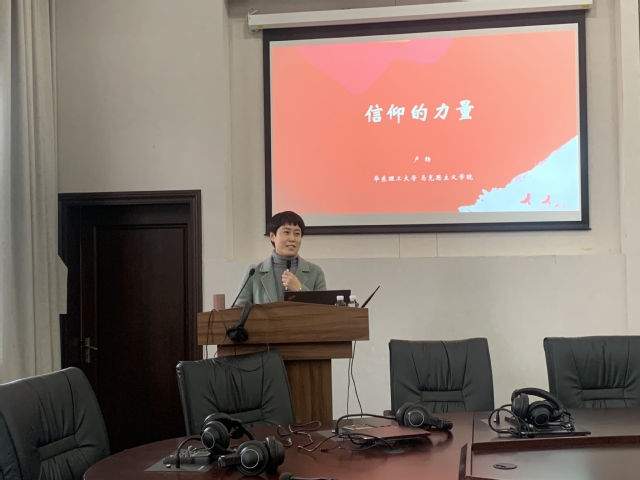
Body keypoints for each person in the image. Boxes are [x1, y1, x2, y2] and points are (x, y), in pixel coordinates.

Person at [234, 211, 326, 306]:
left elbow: (324, 310)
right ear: (272, 236)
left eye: (297, 233)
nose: (292, 239)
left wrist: (300, 290)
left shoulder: (315, 272)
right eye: (286, 232)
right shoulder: (254, 272)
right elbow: (237, 310)